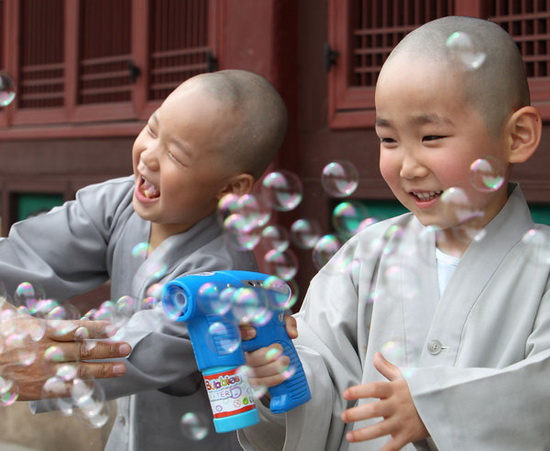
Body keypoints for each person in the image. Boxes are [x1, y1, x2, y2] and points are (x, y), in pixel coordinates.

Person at [239, 16, 550, 450]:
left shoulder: (544, 270)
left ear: (517, 136)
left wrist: (440, 407)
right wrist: (277, 381)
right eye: (388, 140)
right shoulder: (363, 257)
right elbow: (324, 384)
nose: (408, 166)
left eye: (432, 135)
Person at [0, 69, 288, 450]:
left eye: (175, 155)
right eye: (152, 131)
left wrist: (35, 353)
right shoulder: (118, 204)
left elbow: (130, 350)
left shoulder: (220, 278)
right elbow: (24, 255)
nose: (149, 157)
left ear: (231, 188)